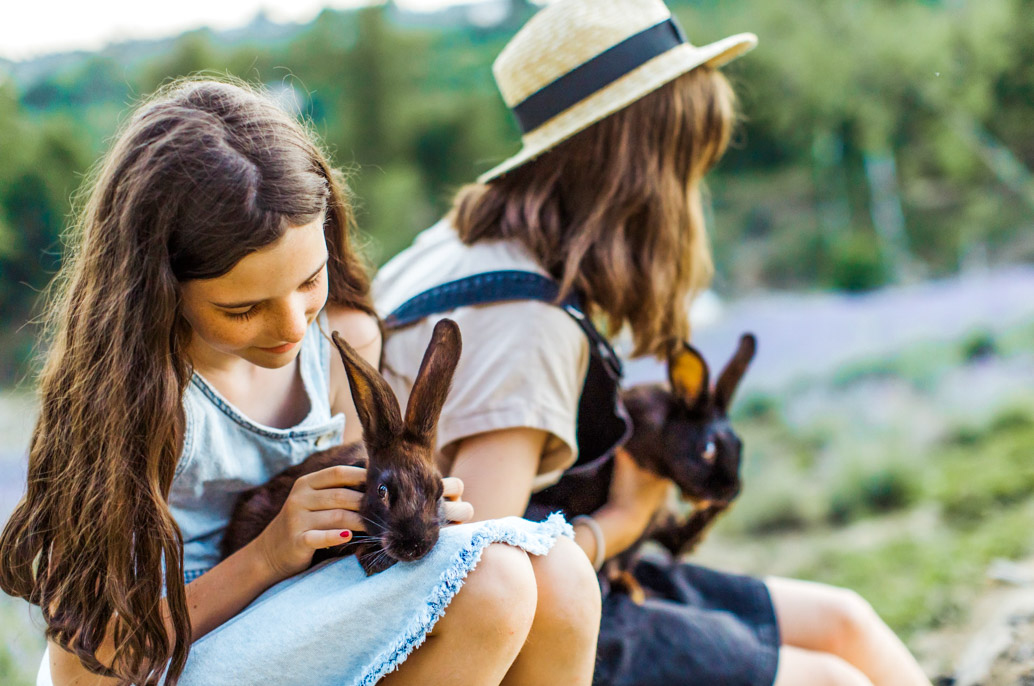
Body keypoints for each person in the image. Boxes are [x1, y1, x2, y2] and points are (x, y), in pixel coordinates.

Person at [373, 1, 933, 685]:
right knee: (831, 680)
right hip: (548, 634)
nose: (694, 195)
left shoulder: (456, 245)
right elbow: (474, 581)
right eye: (688, 166)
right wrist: (626, 515)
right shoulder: (529, 321)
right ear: (638, 176)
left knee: (845, 620)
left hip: (585, 574)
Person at [0, 77, 601, 686]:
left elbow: (342, 549)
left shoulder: (343, 343)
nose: (291, 326)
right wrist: (268, 555)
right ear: (159, 291)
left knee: (560, 574)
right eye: (243, 309)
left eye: (311, 280)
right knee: (491, 584)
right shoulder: (132, 401)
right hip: (160, 660)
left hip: (286, 619)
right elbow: (88, 671)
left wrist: (418, 514)